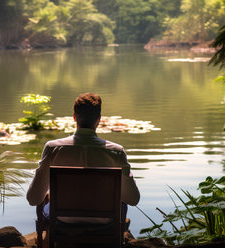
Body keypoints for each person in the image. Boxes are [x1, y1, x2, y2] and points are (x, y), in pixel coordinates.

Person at [26, 92, 140, 224]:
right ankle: (115, 239)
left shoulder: (53, 148)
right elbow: (133, 199)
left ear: (74, 117)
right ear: (99, 119)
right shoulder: (116, 152)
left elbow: (33, 199)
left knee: (45, 200)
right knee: (121, 201)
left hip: (63, 219)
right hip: (104, 221)